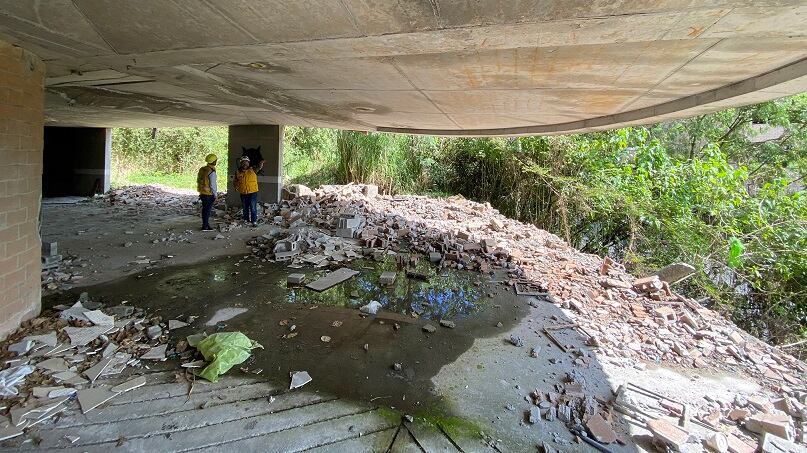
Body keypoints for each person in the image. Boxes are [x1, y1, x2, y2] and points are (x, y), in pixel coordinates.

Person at [234, 156, 259, 226]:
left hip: (252, 192)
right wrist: (236, 186)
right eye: (243, 162)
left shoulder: (253, 169)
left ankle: (254, 221)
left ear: (248, 163)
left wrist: (262, 163)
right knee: (245, 208)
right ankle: (246, 219)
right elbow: (235, 181)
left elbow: (259, 167)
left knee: (253, 207)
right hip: (243, 193)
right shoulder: (237, 172)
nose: (245, 164)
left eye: (246, 162)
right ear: (241, 163)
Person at [196, 153, 217, 231]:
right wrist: (215, 195)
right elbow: (213, 185)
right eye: (216, 160)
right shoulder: (211, 171)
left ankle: (206, 225)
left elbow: (199, 180)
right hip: (209, 194)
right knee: (207, 211)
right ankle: (205, 226)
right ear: (214, 161)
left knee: (205, 210)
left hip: (202, 193)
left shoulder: (203, 169)